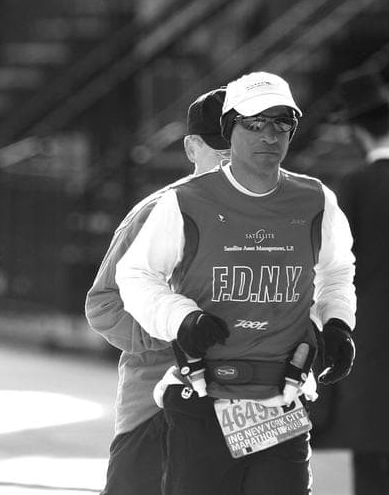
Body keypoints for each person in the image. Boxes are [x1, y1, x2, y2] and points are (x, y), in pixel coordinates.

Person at [115, 70, 357, 495]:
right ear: (230, 128)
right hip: (203, 395)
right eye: (254, 123)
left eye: (282, 123)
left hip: (279, 398)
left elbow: (335, 271)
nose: (269, 135)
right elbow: (133, 275)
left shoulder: (316, 200)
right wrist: (181, 319)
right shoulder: (183, 201)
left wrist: (336, 322)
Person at [85, 86, 230, 495]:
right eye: (219, 153)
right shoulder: (159, 211)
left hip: (246, 402)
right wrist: (174, 333)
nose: (230, 164)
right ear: (190, 148)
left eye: (238, 151)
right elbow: (104, 304)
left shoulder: (273, 212)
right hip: (156, 404)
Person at [311, 67, 389, 494]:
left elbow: (333, 268)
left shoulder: (355, 186)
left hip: (373, 351)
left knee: (372, 469)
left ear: (356, 130)